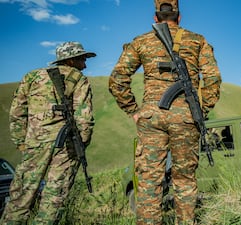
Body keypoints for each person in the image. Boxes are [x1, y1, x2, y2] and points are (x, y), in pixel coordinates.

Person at [109, 0, 222, 224]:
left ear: (155, 17)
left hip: (151, 118)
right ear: (179, 17)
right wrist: (202, 110)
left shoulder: (140, 42)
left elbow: (117, 79)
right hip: (186, 118)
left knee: (150, 180)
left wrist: (134, 110)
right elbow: (212, 79)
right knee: (185, 180)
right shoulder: (197, 41)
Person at [1, 41, 96, 225]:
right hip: (66, 148)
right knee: (53, 200)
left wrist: (21, 142)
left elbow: (17, 112)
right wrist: (80, 146)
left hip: (34, 144)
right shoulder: (79, 79)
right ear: (70, 61)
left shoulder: (31, 77)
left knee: (20, 198)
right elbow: (84, 119)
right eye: (82, 59)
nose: (84, 65)